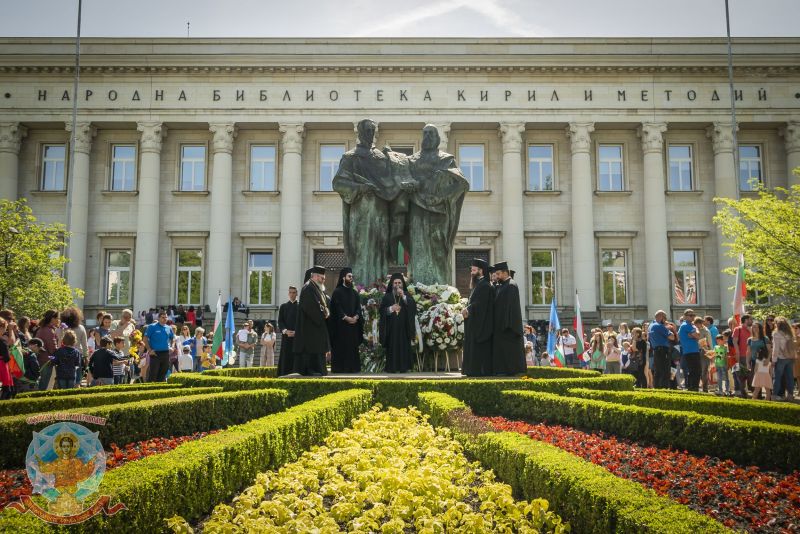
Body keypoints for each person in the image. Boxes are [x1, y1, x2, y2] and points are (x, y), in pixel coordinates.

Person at [405, 124, 470, 284]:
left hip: (439, 212)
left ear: (438, 139)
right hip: (417, 210)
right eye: (425, 133)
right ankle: (417, 284)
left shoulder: (446, 159)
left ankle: (439, 286)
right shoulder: (412, 160)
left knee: (438, 248)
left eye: (431, 134)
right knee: (417, 248)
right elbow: (402, 178)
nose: (427, 137)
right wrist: (409, 184)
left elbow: (461, 184)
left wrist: (442, 196)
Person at [490, 262, 526, 376]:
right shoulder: (503, 285)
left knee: (510, 355)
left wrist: (505, 325)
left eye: (499, 274)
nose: (497, 276)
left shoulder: (511, 285)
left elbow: (511, 308)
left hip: (508, 328)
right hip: (501, 326)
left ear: (505, 272)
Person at [293, 266, 331, 376]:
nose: (323, 280)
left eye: (324, 278)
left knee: (317, 349)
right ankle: (312, 370)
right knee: (311, 350)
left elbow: (320, 304)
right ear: (314, 276)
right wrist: (324, 313)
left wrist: (325, 310)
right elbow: (311, 307)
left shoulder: (315, 288)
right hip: (310, 327)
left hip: (315, 326)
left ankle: (318, 370)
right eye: (322, 278)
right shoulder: (308, 288)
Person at [379, 273, 418, 373]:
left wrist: (404, 297)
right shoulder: (387, 296)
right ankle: (392, 368)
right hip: (391, 329)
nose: (397, 285)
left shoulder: (407, 295)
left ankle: (403, 368)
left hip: (404, 328)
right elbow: (382, 311)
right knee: (392, 348)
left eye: (399, 283)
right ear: (392, 284)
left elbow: (413, 308)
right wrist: (391, 308)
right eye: (395, 283)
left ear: (402, 284)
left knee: (404, 347)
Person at [461, 258, 494, 377]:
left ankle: (475, 371)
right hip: (473, 323)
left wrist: (469, 309)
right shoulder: (478, 284)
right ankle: (470, 370)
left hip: (481, 325)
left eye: (474, 270)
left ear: (481, 271)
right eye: (472, 270)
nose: (471, 272)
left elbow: (481, 305)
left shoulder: (485, 285)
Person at [329, 267, 364, 374]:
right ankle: (340, 368)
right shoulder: (337, 292)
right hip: (341, 327)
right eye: (349, 276)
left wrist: (356, 317)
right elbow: (336, 307)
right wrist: (346, 317)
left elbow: (358, 307)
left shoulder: (354, 293)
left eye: (352, 276)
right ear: (343, 277)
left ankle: (353, 368)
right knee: (341, 347)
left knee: (352, 348)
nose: (351, 278)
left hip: (353, 327)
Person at [143, 312, 175, 382]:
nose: (165, 319)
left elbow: (173, 338)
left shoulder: (168, 327)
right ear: (159, 318)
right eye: (163, 317)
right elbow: (145, 339)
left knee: (163, 373)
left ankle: (160, 389)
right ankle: (150, 390)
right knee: (153, 373)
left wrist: (172, 347)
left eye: (166, 317)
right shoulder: (152, 327)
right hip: (155, 353)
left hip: (166, 353)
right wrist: (149, 350)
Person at [648, 310, 676, 389]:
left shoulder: (651, 325)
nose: (666, 319)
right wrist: (668, 328)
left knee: (658, 371)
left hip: (656, 350)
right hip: (663, 350)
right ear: (660, 317)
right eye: (665, 317)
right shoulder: (659, 326)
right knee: (665, 371)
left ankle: (657, 387)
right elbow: (672, 337)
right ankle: (664, 388)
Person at [771, 316, 797, 401]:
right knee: (790, 377)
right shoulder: (790, 333)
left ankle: (774, 395)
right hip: (790, 357)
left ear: (776, 324)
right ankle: (790, 395)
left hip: (781, 358)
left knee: (777, 377)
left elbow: (776, 348)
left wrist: (773, 360)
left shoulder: (776, 333)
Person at [277, 286, 300, 376]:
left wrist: (296, 332)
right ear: (288, 293)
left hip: (297, 337)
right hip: (286, 336)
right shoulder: (283, 306)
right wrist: (286, 331)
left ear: (297, 293)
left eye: (293, 292)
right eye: (290, 292)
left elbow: (302, 322)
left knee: (296, 356)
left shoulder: (300, 306)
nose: (292, 294)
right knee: (285, 356)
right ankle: (284, 374)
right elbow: (280, 321)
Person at [37, 309, 60, 390]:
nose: (59, 320)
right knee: (44, 385)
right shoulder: (49, 331)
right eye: (57, 318)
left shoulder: (43, 328)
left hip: (42, 360)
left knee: (43, 383)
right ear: (52, 319)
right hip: (46, 362)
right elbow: (53, 349)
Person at [731, 314, 753, 397]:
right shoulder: (738, 329)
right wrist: (737, 353)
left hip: (752, 356)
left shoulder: (752, 329)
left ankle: (752, 390)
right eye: (750, 319)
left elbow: (755, 339)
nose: (752, 321)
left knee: (751, 374)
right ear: (746, 320)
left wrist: (750, 330)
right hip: (742, 355)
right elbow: (734, 342)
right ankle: (742, 392)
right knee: (741, 374)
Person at [694, 316, 714, 393]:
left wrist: (711, 355)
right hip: (695, 351)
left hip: (704, 352)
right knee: (698, 370)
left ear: (700, 323)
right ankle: (698, 387)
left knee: (704, 371)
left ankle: (705, 388)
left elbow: (710, 343)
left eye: (697, 324)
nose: (696, 326)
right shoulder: (694, 330)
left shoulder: (706, 331)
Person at [751, 336, 773, 401]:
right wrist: (770, 377)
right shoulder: (768, 362)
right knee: (768, 390)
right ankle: (767, 402)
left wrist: (755, 375)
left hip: (758, 375)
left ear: (759, 353)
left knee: (756, 390)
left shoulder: (757, 360)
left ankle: (752, 400)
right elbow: (771, 371)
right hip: (766, 375)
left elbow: (755, 369)